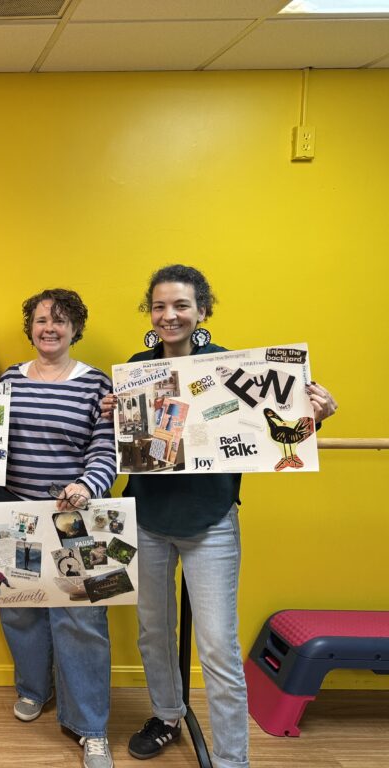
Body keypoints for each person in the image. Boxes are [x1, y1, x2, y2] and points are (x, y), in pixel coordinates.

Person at [101, 264, 337, 768]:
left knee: (217, 648)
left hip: (210, 522)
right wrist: (115, 417)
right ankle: (167, 714)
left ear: (201, 310)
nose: (170, 315)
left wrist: (312, 416)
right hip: (147, 520)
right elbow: (136, 444)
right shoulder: (138, 367)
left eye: (181, 305)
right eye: (160, 306)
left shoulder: (234, 369)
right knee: (153, 632)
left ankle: (232, 760)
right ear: (150, 312)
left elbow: (270, 433)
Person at [0, 288, 117, 768]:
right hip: (12, 511)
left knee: (82, 620)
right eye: (41, 319)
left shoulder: (94, 385)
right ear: (31, 327)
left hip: (76, 518)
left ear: (75, 329)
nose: (50, 327)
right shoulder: (9, 380)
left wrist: (87, 485)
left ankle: (90, 727)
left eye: (60, 321)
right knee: (18, 609)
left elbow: (106, 449)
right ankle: (33, 690)